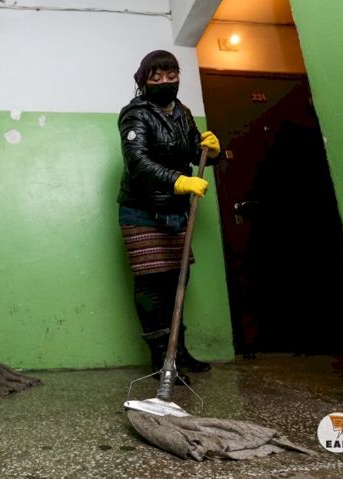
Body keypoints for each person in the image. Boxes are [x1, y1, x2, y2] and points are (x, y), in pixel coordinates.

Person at [117, 50, 221, 380]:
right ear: (143, 81)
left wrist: (212, 152)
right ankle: (162, 361)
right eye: (156, 77)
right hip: (142, 210)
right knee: (153, 285)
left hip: (175, 211)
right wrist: (178, 181)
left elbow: (193, 152)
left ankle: (179, 352)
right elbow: (138, 163)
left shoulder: (182, 113)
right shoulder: (135, 114)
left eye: (171, 75)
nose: (165, 81)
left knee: (177, 281)